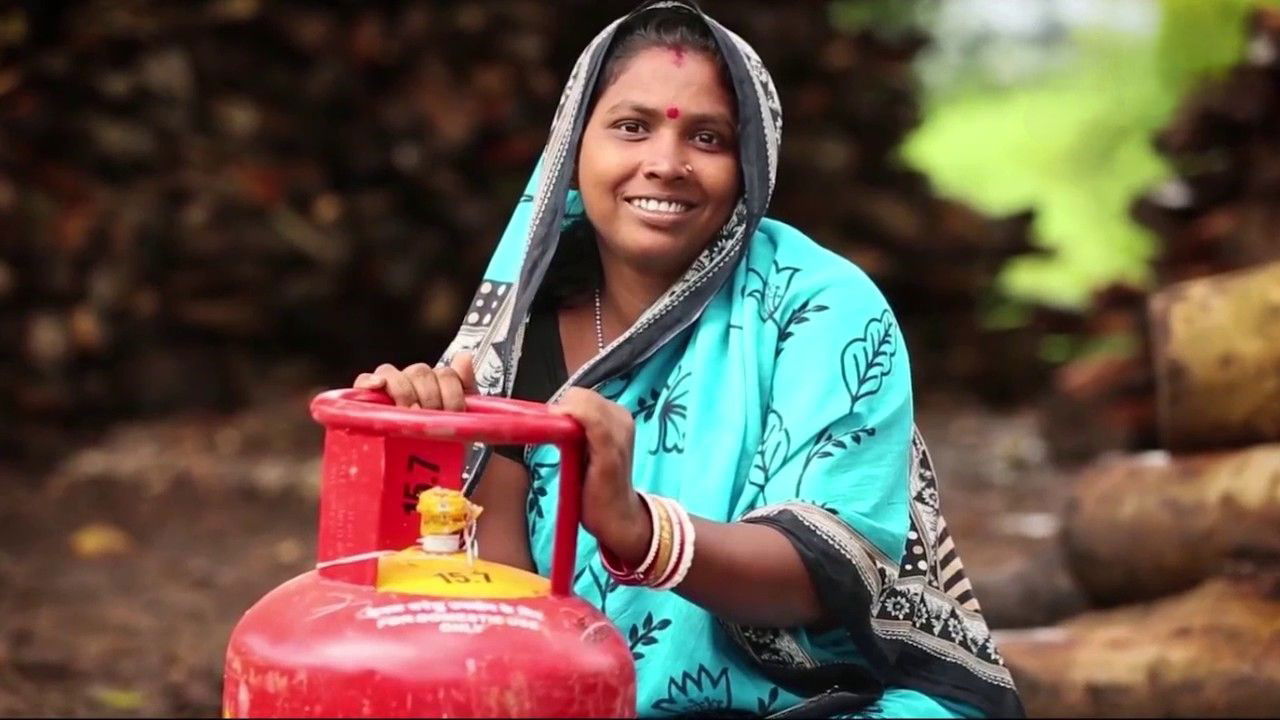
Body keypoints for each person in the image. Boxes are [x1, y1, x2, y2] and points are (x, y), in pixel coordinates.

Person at [353, 2, 1024, 717]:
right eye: (631, 127)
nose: (666, 164)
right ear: (574, 151)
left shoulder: (819, 308)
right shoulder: (517, 334)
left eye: (707, 136)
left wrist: (642, 531)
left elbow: (822, 575)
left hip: (832, 700)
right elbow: (512, 615)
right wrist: (428, 451)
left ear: (751, 165)